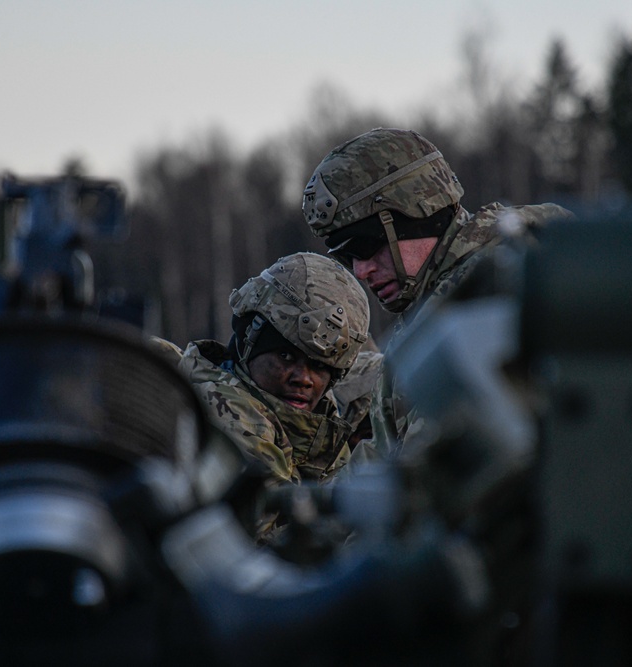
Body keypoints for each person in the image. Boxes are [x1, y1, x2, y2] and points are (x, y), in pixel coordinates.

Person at [302, 127, 573, 456]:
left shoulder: (494, 293)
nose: (361, 271)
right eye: (348, 257)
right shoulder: (443, 304)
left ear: (417, 212)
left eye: (366, 245)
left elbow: (434, 467)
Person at [155, 251, 372, 490]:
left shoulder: (318, 431)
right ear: (248, 342)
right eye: (285, 356)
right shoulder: (231, 417)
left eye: (320, 366)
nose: (303, 379)